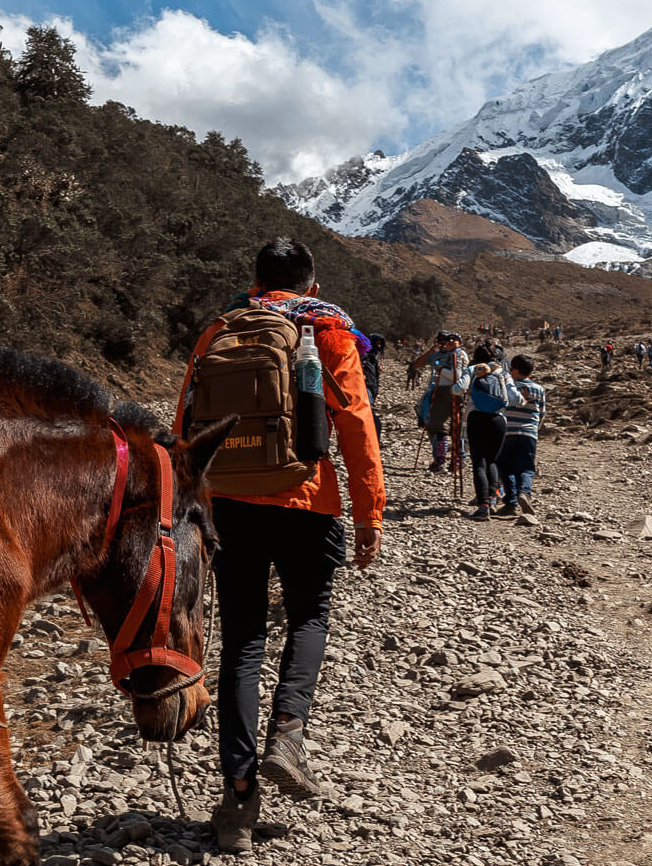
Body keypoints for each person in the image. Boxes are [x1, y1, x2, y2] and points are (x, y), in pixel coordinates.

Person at [181, 239, 385, 854]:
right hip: (308, 498)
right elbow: (354, 422)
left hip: (232, 504)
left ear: (255, 279)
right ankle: (288, 739)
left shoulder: (220, 327)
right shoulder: (327, 329)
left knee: (241, 641)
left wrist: (192, 505)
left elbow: (187, 420)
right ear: (310, 282)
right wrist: (370, 510)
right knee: (309, 618)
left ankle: (238, 802)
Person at [459, 347, 516, 520]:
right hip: (499, 420)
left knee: (479, 462)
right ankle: (493, 499)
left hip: (476, 418)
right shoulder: (503, 373)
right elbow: (514, 398)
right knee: (492, 460)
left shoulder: (472, 369)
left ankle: (483, 505)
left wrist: (469, 391)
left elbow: (457, 388)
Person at [408, 332, 468, 472]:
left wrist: (440, 369)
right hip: (439, 392)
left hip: (450, 392)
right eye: (447, 340)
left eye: (454, 339)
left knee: (455, 427)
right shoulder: (447, 354)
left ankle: (456, 460)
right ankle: (441, 459)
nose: (449, 341)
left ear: (460, 341)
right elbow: (417, 364)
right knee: (438, 425)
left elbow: (457, 376)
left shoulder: (458, 354)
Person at [496, 354, 546, 518]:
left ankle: (510, 501)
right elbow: (542, 412)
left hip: (508, 432)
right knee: (525, 467)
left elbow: (501, 408)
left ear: (515, 371)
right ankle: (524, 493)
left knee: (505, 466)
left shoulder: (508, 387)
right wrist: (535, 430)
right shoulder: (539, 389)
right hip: (529, 434)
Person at [363, 333, 387, 447]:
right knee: (374, 422)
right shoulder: (365, 354)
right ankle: (371, 446)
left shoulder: (374, 357)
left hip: (371, 390)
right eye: (377, 342)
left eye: (380, 343)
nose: (379, 345)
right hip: (365, 390)